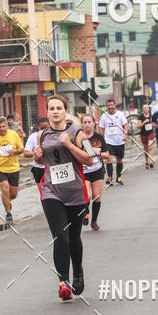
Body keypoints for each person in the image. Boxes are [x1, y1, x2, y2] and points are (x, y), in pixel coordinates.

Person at [33, 95, 94, 300]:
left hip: (75, 192)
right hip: (52, 191)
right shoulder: (42, 134)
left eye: (59, 108)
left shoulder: (76, 132)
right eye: (52, 108)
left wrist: (69, 145)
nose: (56, 111)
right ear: (47, 111)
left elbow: (90, 158)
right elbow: (41, 160)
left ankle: (77, 271)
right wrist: (37, 156)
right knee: (61, 237)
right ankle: (63, 282)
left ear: (65, 111)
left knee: (74, 238)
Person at [0, 116, 24, 225]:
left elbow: (21, 149)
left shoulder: (13, 135)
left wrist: (15, 151)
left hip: (13, 168)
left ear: (7, 126)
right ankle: (8, 214)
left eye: (4, 126)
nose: (2, 129)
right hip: (0, 168)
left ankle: (8, 201)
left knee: (13, 194)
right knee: (5, 188)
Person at [80, 113, 109, 230]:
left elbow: (107, 155)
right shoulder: (79, 138)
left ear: (93, 123)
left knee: (96, 197)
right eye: (85, 122)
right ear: (81, 124)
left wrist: (99, 153)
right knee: (87, 195)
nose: (87, 125)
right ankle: (85, 214)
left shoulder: (99, 137)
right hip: (84, 170)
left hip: (97, 170)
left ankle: (94, 221)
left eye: (89, 122)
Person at [99, 99, 128, 186]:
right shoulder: (104, 116)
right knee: (109, 159)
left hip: (119, 141)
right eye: (109, 105)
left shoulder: (120, 114)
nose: (110, 107)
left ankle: (119, 177)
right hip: (109, 141)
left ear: (114, 105)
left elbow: (126, 125)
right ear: (106, 106)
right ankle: (109, 178)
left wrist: (125, 134)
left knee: (119, 160)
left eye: (112, 105)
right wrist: (102, 138)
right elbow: (101, 128)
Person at [24, 116, 49, 186]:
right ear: (38, 127)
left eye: (46, 128)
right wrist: (36, 153)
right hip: (39, 168)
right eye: (42, 128)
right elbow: (25, 153)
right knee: (43, 193)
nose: (44, 130)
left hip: (51, 167)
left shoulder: (53, 135)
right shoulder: (33, 137)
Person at [137, 103, 155, 169]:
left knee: (150, 147)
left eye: (147, 108)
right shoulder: (140, 116)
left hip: (150, 133)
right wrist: (144, 122)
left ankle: (151, 162)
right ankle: (147, 161)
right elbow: (138, 126)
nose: (146, 109)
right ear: (142, 109)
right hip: (143, 134)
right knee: (146, 149)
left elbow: (155, 123)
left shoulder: (151, 115)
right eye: (144, 108)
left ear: (148, 108)